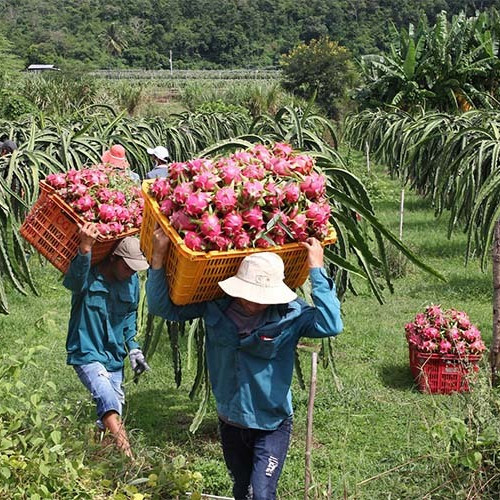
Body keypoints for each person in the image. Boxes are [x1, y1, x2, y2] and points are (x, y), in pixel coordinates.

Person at [146, 228, 343, 499]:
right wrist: (158, 256)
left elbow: (332, 323)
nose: (253, 301)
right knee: (241, 488)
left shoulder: (291, 315)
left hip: (272, 424)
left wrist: (317, 270)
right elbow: (162, 308)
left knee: (261, 493)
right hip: (231, 420)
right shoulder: (214, 306)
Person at [63, 223, 150, 458]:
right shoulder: (89, 274)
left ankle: (97, 460)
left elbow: (131, 313)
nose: (131, 272)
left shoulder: (131, 282)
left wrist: (133, 348)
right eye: (128, 267)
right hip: (86, 350)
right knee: (107, 399)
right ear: (113, 258)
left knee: (110, 415)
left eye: (135, 270)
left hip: (113, 357)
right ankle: (131, 461)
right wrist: (84, 248)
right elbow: (72, 282)